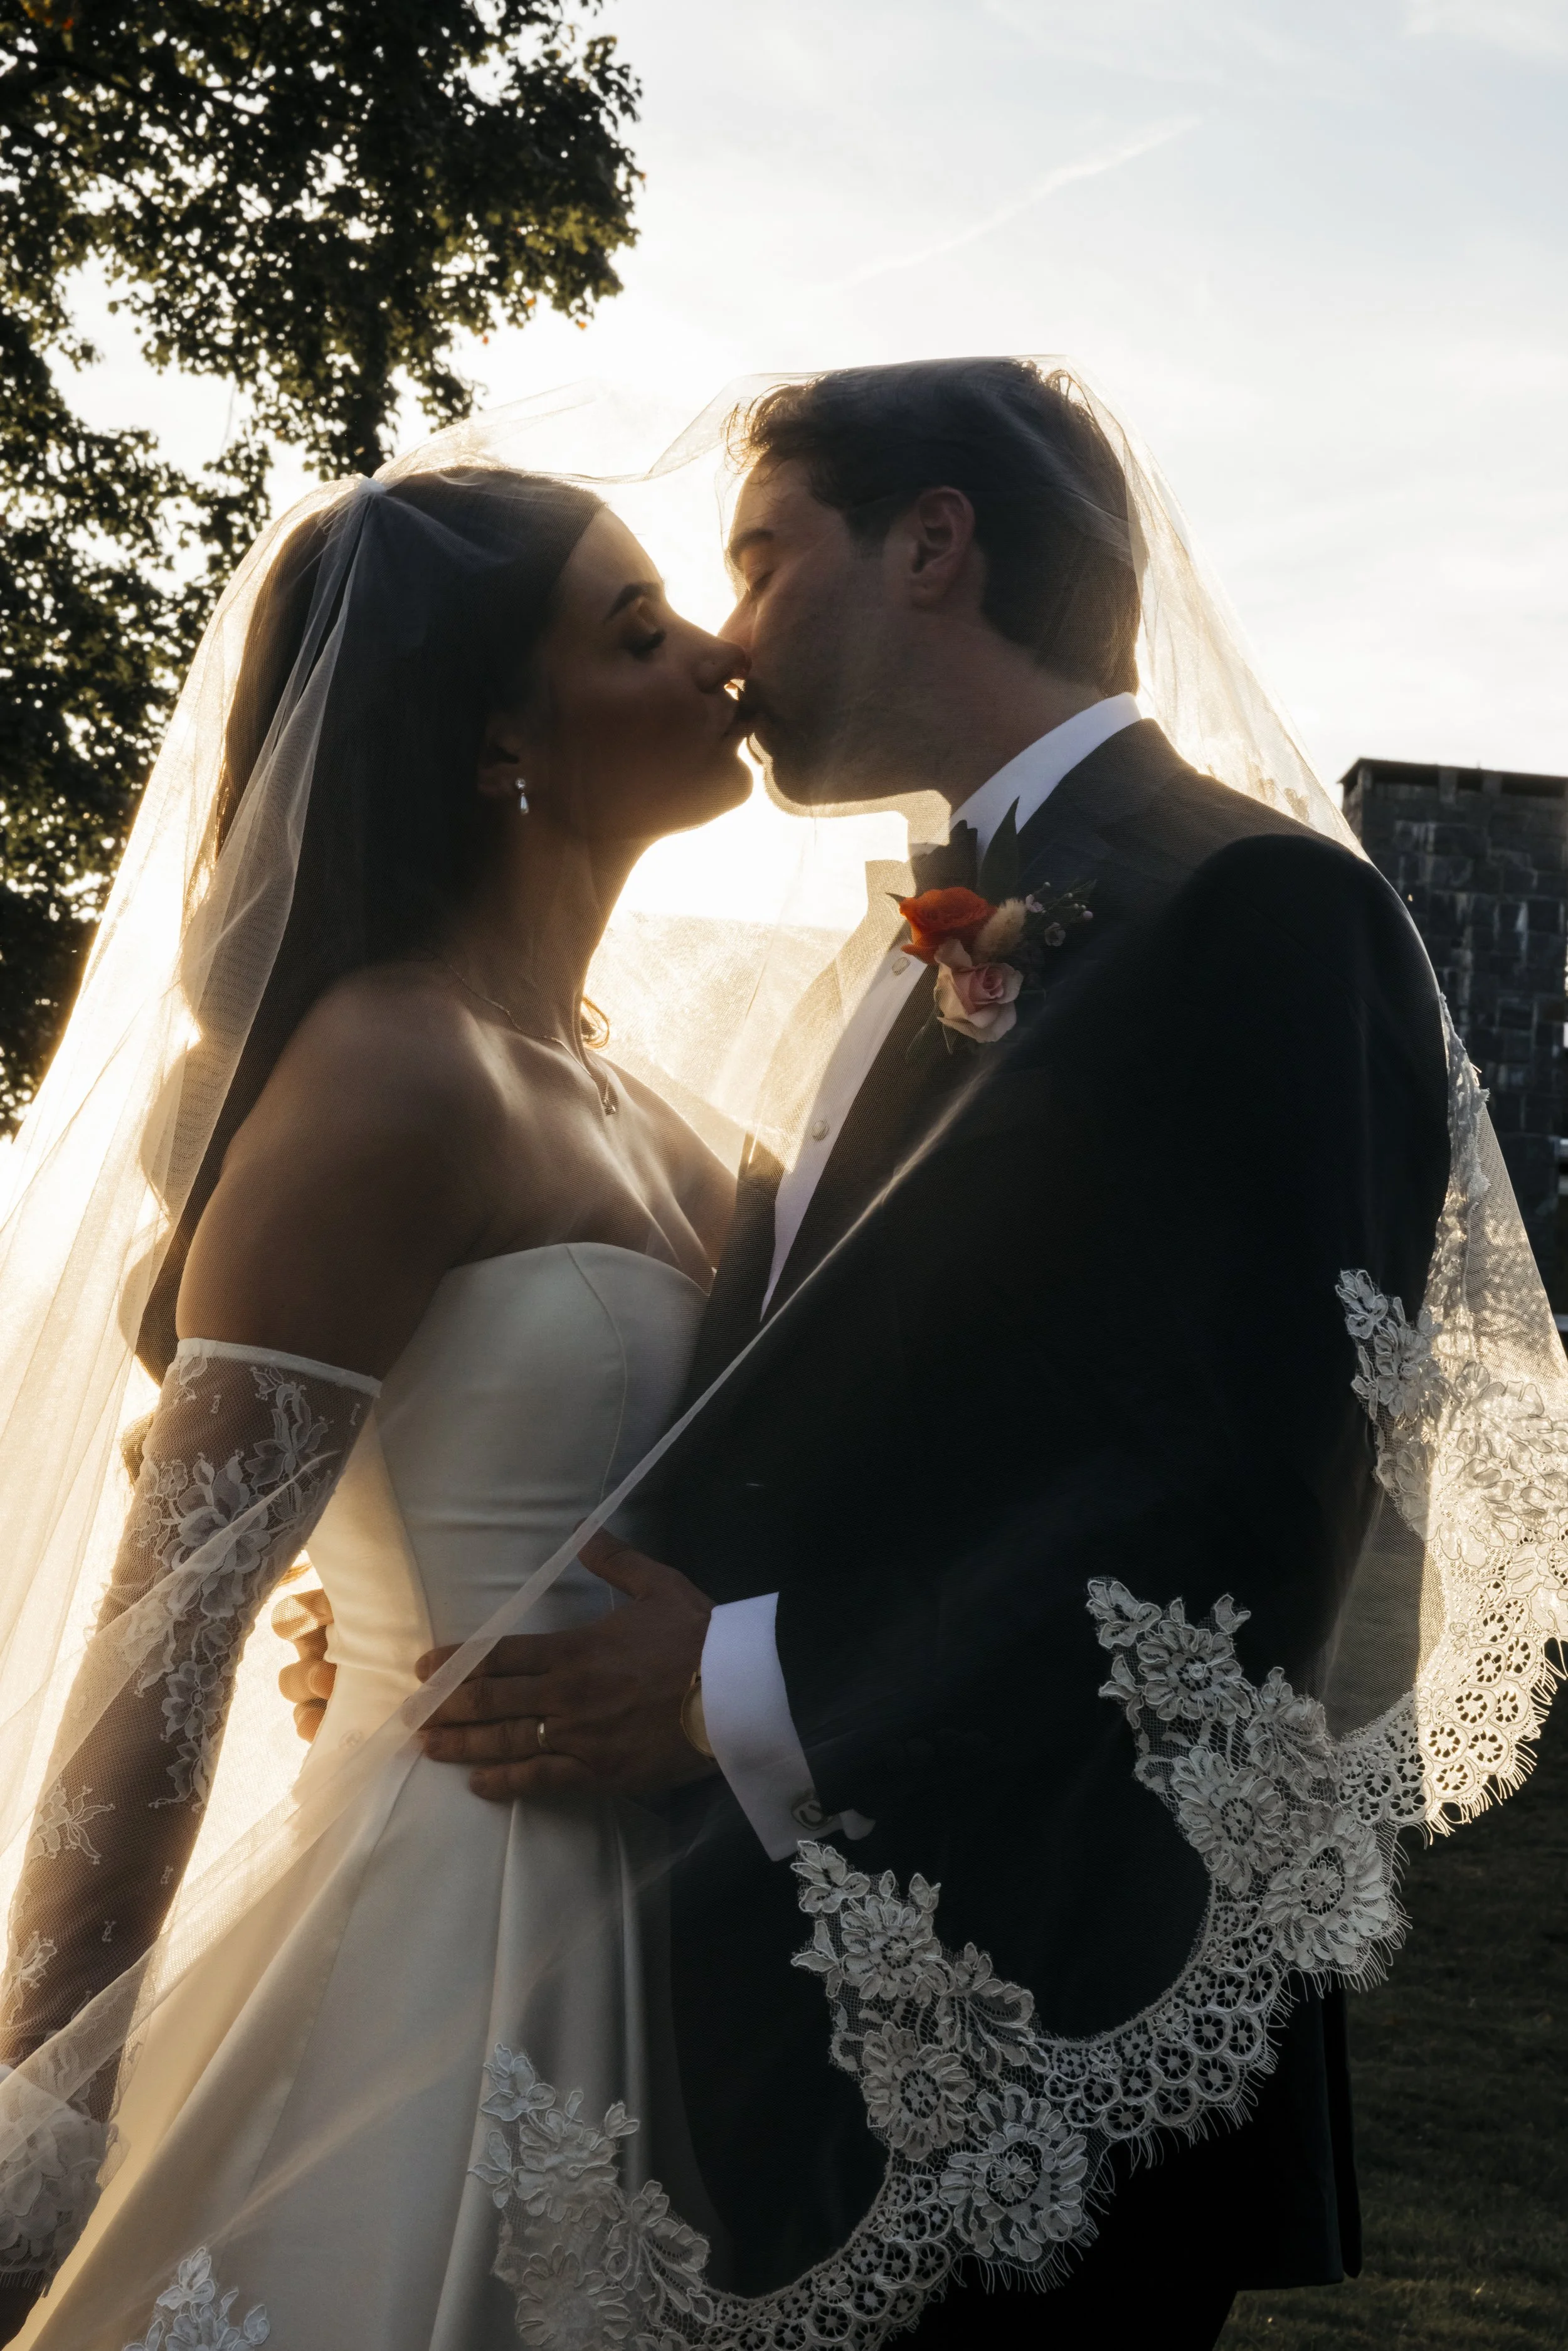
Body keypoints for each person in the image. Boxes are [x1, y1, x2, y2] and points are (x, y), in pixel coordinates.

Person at [327, 362, 1457, 2348]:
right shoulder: (893, 964)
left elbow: (1260, 1500)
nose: (730, 637)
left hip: (1057, 2032)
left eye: (760, 559)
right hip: (770, 2038)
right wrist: (433, 1575)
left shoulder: (1256, 907)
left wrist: (736, 1685)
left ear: (932, 543)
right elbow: (805, 1417)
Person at [0, 465, 750, 2347]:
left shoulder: (658, 1108)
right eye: (640, 632)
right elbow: (169, 1637)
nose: (720, 660)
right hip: (434, 1947)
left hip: (669, 1911)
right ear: (502, 731)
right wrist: (36, 2112)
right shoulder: (385, 1076)